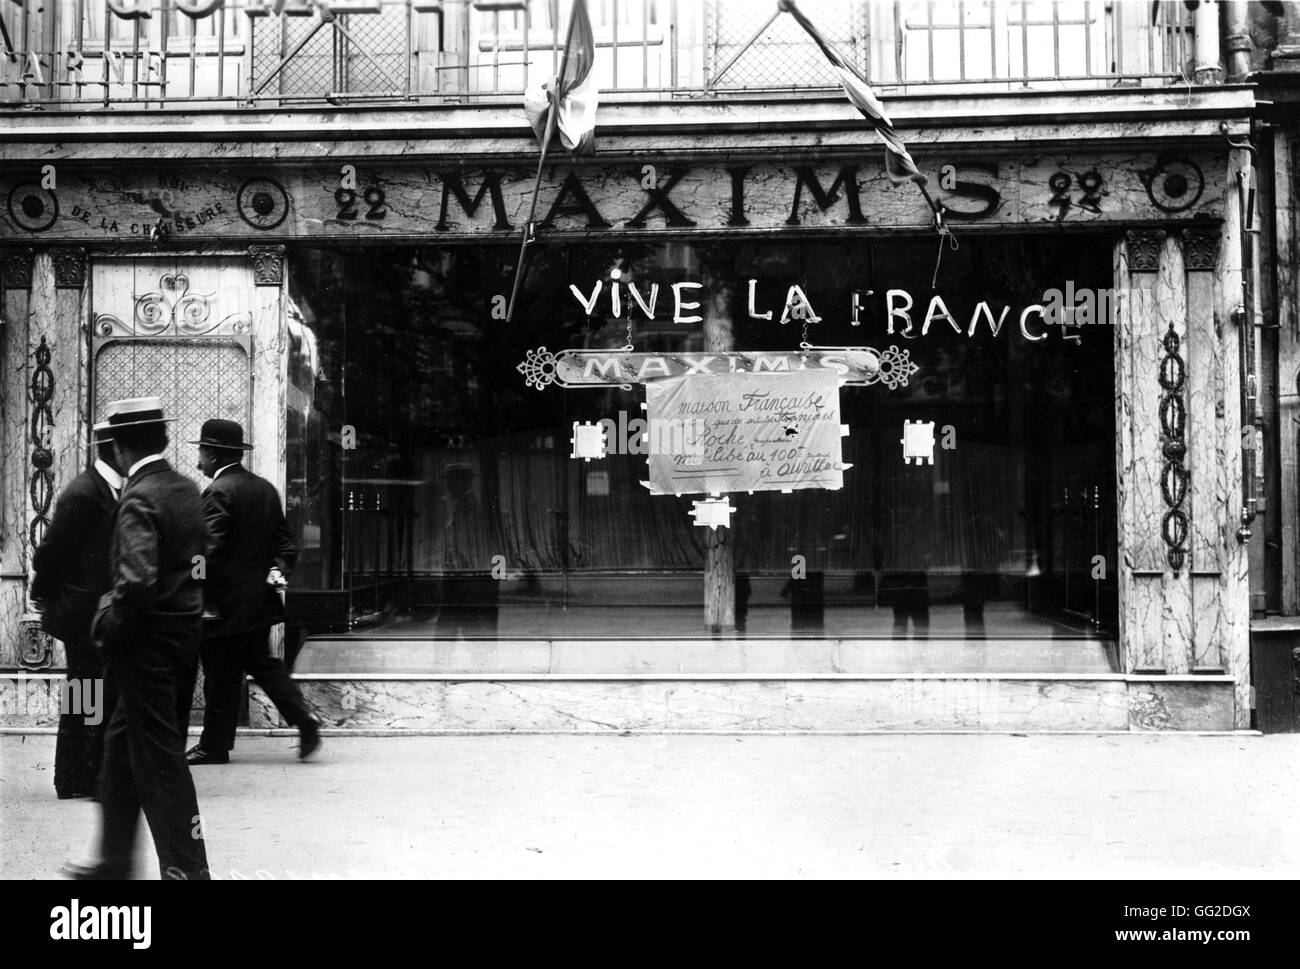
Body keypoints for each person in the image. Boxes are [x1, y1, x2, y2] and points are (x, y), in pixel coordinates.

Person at [65, 397, 210, 880]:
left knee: (161, 764)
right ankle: (113, 860)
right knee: (122, 755)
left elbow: (135, 582)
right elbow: (199, 566)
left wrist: (104, 624)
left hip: (142, 648)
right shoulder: (186, 489)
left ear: (122, 447)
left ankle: (187, 870)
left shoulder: (139, 496)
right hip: (181, 641)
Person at [181, 418, 320, 765]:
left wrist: (193, 585)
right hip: (258, 603)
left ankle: (214, 745)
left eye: (201, 451)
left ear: (212, 454)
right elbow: (285, 544)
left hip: (223, 606)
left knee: (220, 676)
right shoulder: (263, 489)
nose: (198, 458)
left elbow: (206, 551)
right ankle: (305, 721)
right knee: (264, 665)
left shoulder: (217, 492)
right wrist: (277, 571)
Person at [31, 421, 122, 799]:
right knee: (84, 696)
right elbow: (50, 553)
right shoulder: (83, 493)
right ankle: (74, 778)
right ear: (115, 449)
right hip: (82, 614)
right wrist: (47, 597)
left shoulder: (108, 489)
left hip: (94, 612)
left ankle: (86, 774)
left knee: (91, 695)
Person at [436, 463, 498, 639]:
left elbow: (464, 546)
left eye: (450, 482)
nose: (447, 487)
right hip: (465, 578)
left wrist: (456, 570)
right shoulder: (464, 505)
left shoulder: (467, 507)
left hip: (463, 578)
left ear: (462, 483)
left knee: (455, 627)